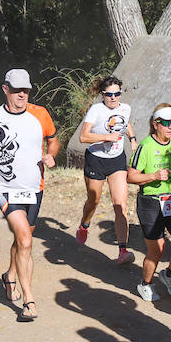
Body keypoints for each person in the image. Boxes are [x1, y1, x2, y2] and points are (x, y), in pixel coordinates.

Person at [0, 69, 59, 322]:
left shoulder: (40, 114)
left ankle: (9, 275)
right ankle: (29, 302)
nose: (22, 94)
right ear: (5, 89)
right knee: (26, 241)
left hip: (34, 188)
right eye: (17, 90)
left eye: (26, 90)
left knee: (23, 238)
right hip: (5, 188)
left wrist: (52, 154)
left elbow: (54, 140)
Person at [126, 104, 171, 301]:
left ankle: (168, 275)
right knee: (158, 248)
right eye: (167, 123)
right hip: (151, 202)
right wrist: (154, 175)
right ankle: (145, 283)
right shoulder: (145, 147)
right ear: (156, 124)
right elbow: (131, 177)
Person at [74, 75, 137, 265]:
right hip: (96, 160)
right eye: (109, 95)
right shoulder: (96, 110)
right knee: (93, 200)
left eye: (117, 94)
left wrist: (132, 139)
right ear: (103, 95)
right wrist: (105, 137)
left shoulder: (125, 108)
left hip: (117, 160)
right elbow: (83, 137)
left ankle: (123, 251)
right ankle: (85, 224)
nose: (113, 98)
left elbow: (125, 124)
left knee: (121, 205)